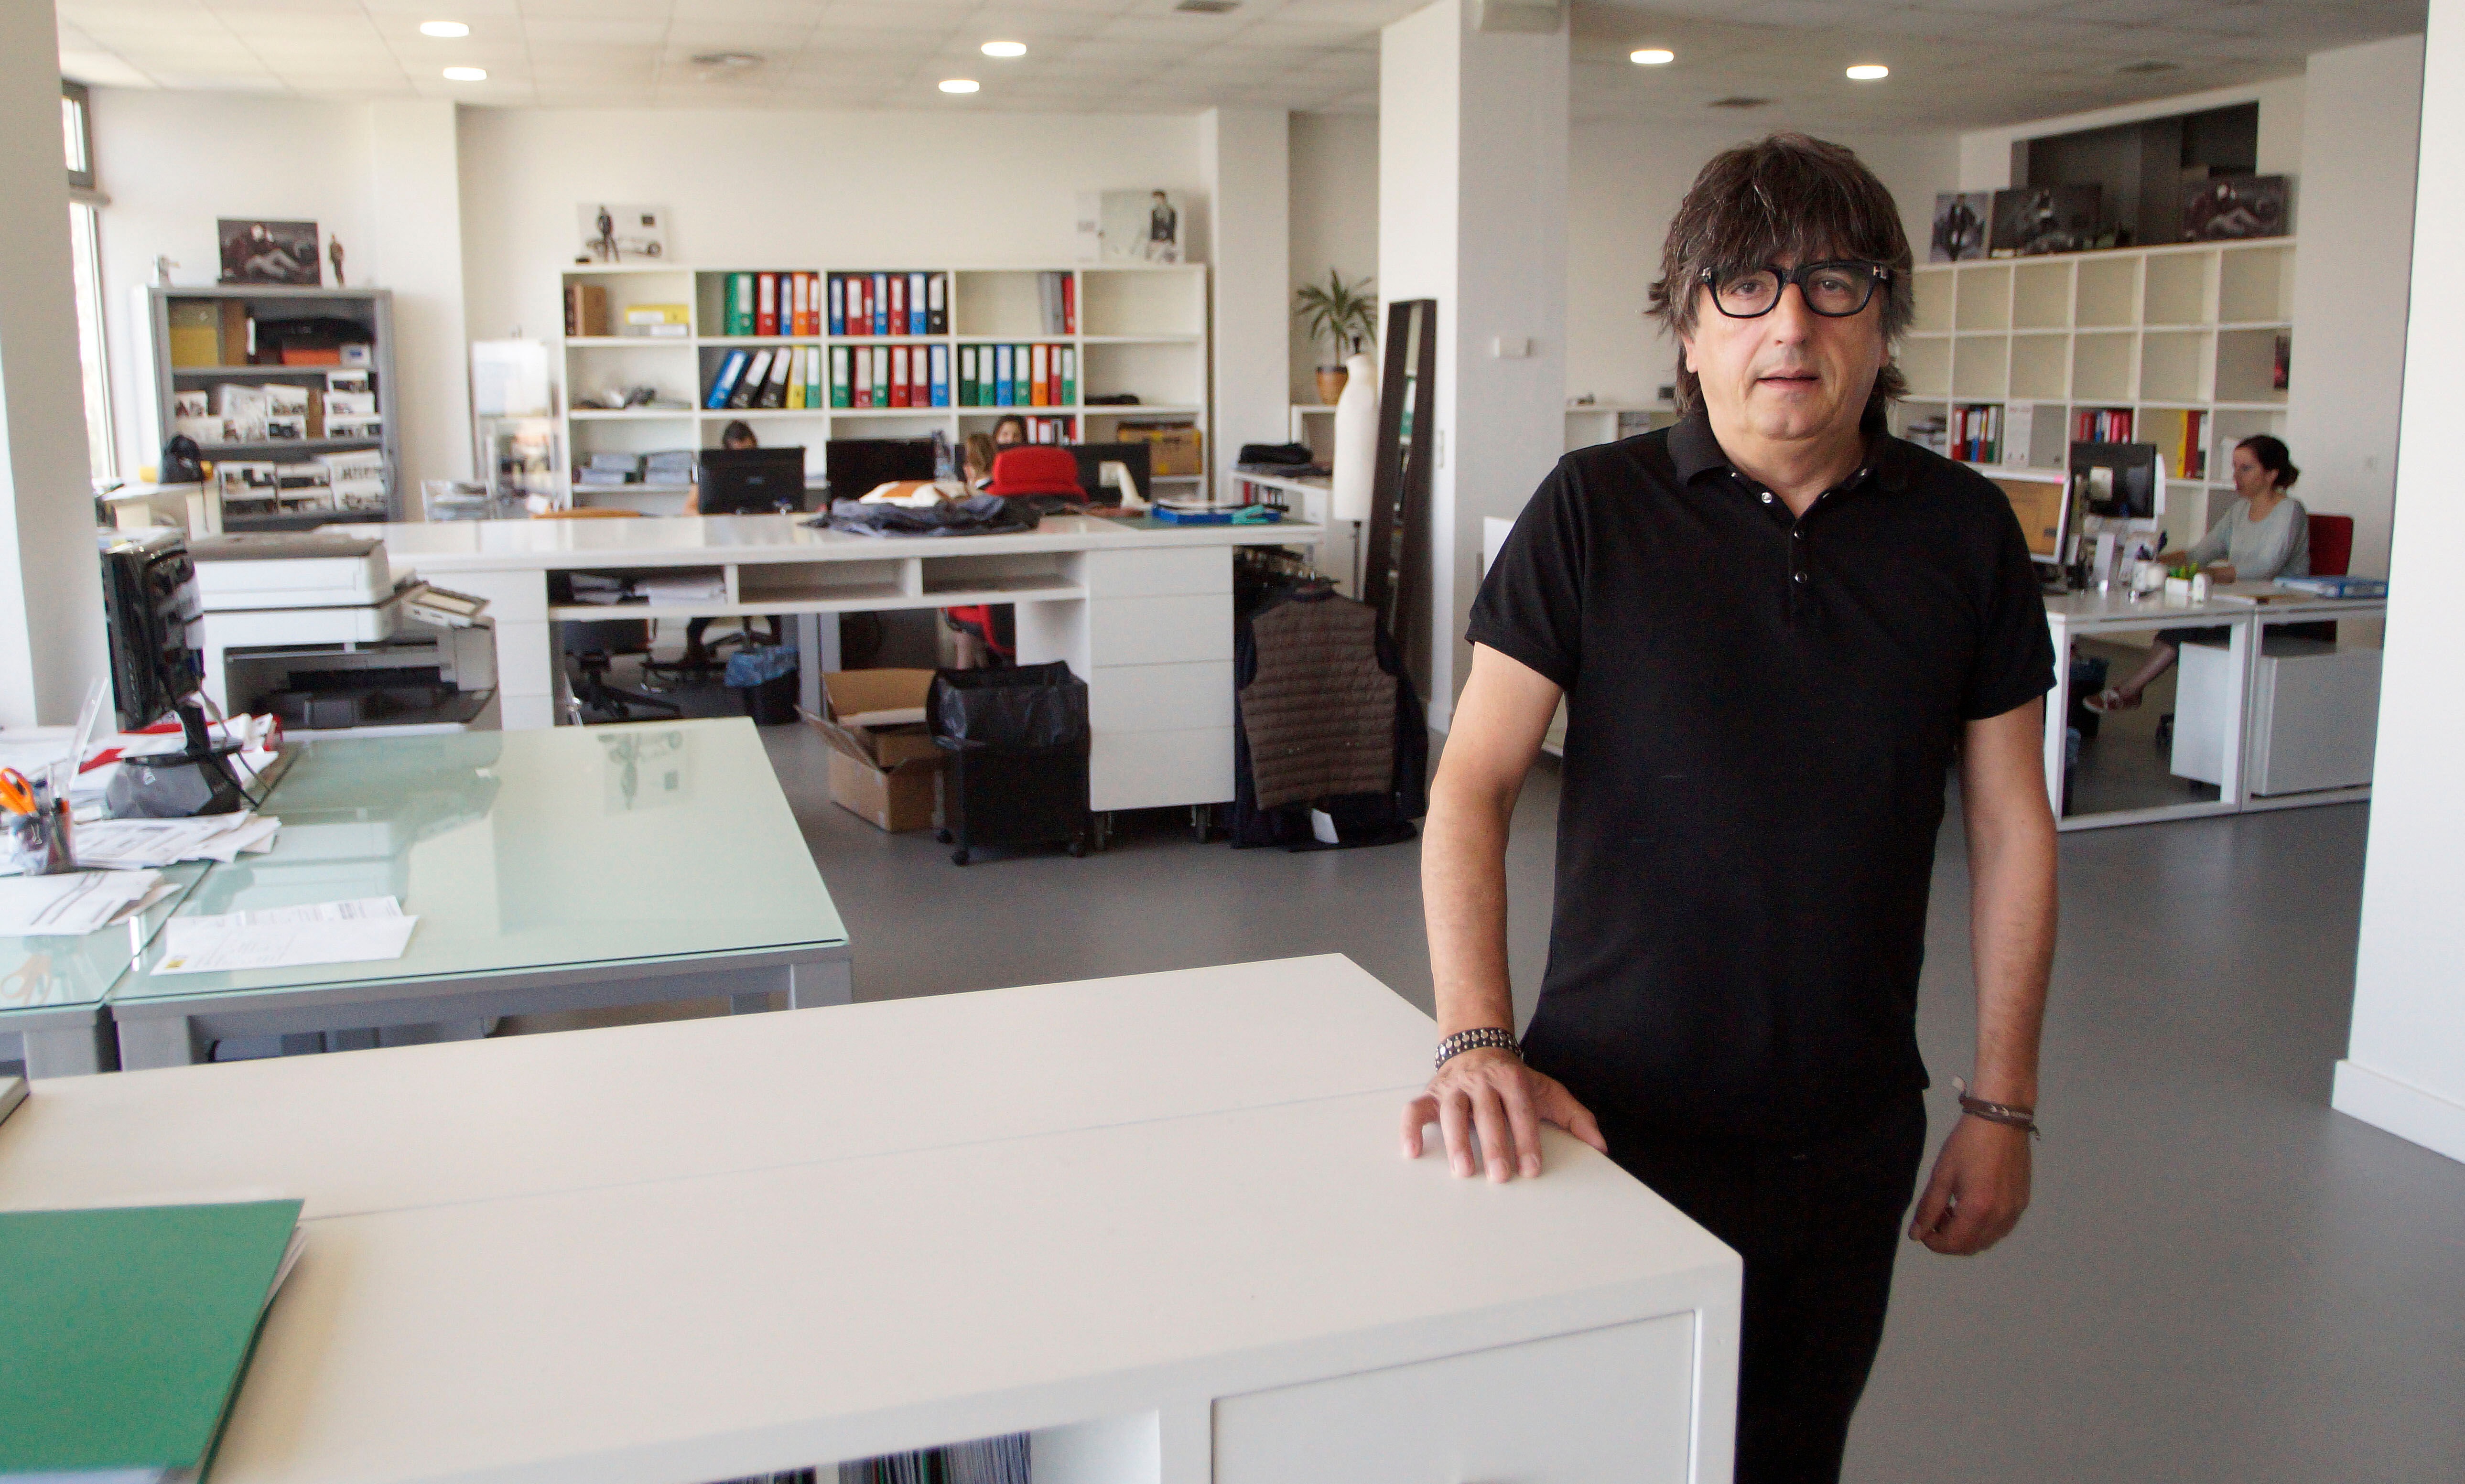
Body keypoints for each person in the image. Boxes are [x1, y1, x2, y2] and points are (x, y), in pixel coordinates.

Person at [1400, 133, 2058, 1484]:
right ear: (1687, 328)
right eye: (1744, 286)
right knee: (1597, 1455)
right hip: (1601, 1118)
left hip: (1848, 1128)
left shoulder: (1961, 532)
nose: (1790, 325)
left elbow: (2009, 829)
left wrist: (2001, 1104)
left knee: (1786, 1457)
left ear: (1883, 322)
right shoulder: (1592, 510)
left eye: (1833, 284)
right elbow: (1470, 784)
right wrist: (1473, 1036)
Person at [2088, 435, 2309, 712]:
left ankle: (2130, 691)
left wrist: (2207, 574)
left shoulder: (2290, 510)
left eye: (2246, 468)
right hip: (2243, 605)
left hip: (2281, 613)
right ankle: (2132, 691)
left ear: (2271, 474)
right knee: (2183, 623)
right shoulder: (2240, 510)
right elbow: (2199, 554)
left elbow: (2265, 568)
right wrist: (2152, 559)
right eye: (2235, 467)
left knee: (2188, 626)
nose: (2236, 476)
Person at [680, 421, 776, 668]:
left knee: (773, 591)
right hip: (722, 541)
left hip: (761, 542)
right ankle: (694, 642)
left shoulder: (769, 469)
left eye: (749, 452)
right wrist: (715, 517)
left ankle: (782, 650)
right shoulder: (711, 470)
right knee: (723, 589)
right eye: (737, 453)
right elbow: (689, 510)